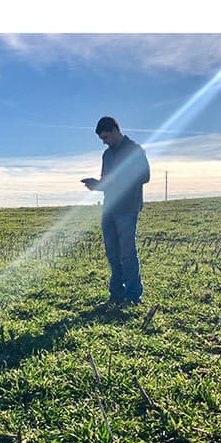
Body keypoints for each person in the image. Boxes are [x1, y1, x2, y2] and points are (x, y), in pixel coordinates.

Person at [82, 116, 150, 306]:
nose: (104, 142)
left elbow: (145, 176)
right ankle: (116, 295)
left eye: (105, 137)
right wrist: (97, 185)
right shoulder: (107, 155)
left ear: (115, 130)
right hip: (109, 207)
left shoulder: (134, 150)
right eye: (101, 139)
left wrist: (118, 180)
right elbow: (107, 182)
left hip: (127, 208)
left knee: (127, 254)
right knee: (112, 254)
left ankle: (133, 297)